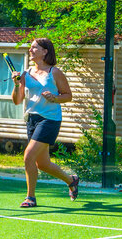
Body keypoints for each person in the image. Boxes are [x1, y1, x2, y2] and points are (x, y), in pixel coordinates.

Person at [11, 38, 79, 207]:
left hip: (50, 120)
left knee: (28, 156)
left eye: (35, 48)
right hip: (32, 119)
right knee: (42, 164)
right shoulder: (25, 74)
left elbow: (68, 95)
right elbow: (17, 100)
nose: (30, 50)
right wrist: (16, 84)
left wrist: (54, 98)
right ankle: (71, 180)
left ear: (45, 51)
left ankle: (30, 198)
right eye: (30, 48)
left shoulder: (54, 72)